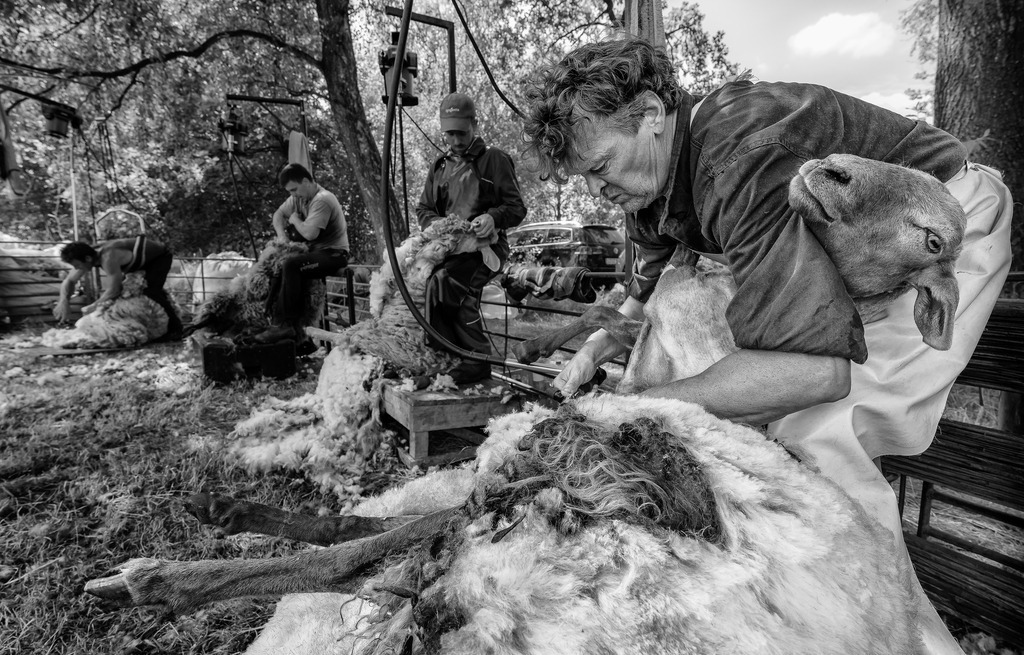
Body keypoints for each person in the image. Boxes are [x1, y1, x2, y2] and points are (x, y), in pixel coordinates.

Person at [522, 38, 1011, 654]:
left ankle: (896, 640)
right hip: (858, 240)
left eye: (598, 168)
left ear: (650, 114)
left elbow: (814, 373)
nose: (597, 190)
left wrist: (636, 406)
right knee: (733, 379)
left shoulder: (737, 157)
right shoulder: (655, 182)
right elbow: (651, 275)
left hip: (930, 230)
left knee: (820, 439)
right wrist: (596, 346)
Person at [416, 92, 527, 383]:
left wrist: (493, 217)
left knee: (453, 284)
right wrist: (440, 225)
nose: (455, 140)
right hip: (451, 249)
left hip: (488, 247)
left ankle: (478, 359)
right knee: (431, 284)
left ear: (474, 125)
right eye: (449, 134)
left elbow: (516, 208)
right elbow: (424, 208)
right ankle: (450, 356)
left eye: (461, 132)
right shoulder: (439, 168)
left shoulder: (495, 160)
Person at [255, 163, 349, 347]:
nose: (292, 194)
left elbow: (310, 234)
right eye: (290, 191)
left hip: (333, 254)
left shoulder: (323, 199)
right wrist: (282, 236)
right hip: (314, 253)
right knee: (280, 268)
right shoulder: (298, 198)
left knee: (292, 265)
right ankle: (298, 336)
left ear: (306, 181)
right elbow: (278, 215)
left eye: (294, 189)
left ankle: (284, 325)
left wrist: (295, 219)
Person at [53, 236, 185, 340]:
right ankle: (155, 326)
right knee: (137, 292)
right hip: (139, 262)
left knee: (151, 291)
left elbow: (114, 290)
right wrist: (63, 301)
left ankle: (176, 330)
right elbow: (69, 281)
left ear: (87, 259)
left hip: (159, 257)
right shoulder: (89, 256)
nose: (77, 269)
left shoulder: (108, 258)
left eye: (77, 265)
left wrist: (94, 305)